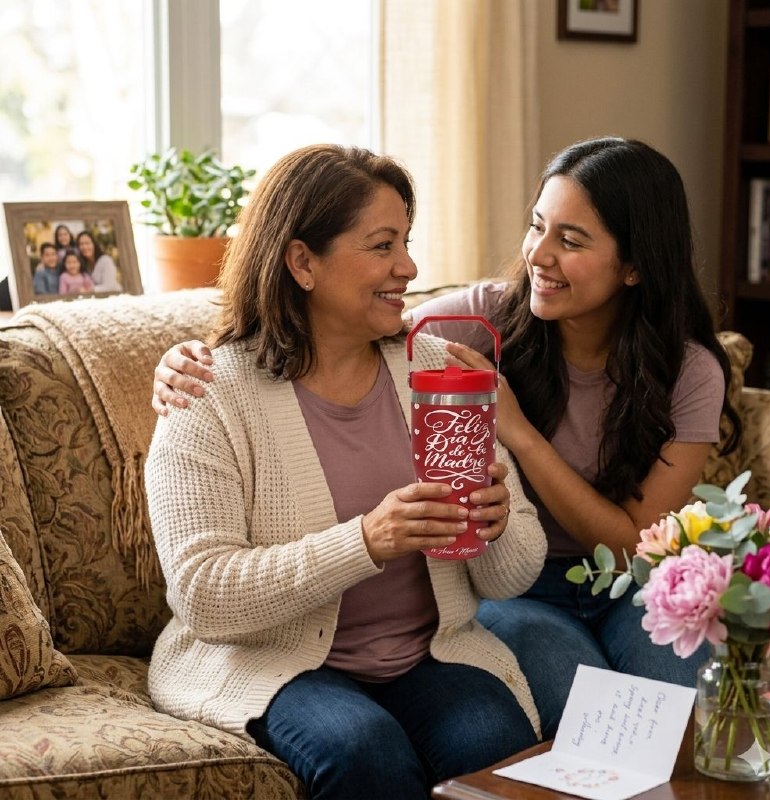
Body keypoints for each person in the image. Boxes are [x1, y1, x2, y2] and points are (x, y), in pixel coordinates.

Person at [149, 137, 743, 740]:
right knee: (591, 720)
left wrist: (518, 433)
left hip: (627, 582)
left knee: (688, 721)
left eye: (571, 240)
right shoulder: (483, 321)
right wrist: (185, 360)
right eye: (537, 226)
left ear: (634, 265)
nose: (538, 255)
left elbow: (634, 547)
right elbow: (341, 325)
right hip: (521, 592)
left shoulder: (690, 370)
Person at [144, 143, 546, 800]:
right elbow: (202, 594)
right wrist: (366, 541)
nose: (409, 267)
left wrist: (496, 528)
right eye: (383, 245)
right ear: (302, 261)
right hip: (269, 662)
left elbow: (512, 576)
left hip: (424, 654)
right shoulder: (207, 391)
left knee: (495, 743)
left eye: (407, 242)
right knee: (363, 750)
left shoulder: (437, 370)